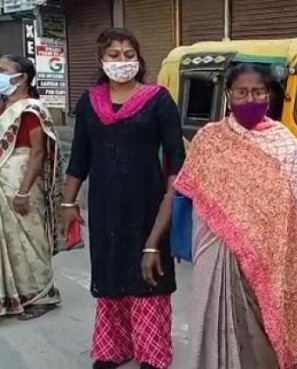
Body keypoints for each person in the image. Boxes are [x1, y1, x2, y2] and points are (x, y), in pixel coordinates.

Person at [174, 62, 297, 369]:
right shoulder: (209, 140)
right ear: (228, 96)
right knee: (217, 327)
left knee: (264, 338)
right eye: (241, 92)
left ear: (269, 96)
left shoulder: (287, 146)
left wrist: (258, 241)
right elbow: (192, 190)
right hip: (217, 254)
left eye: (258, 91)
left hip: (268, 261)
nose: (249, 99)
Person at [62, 28, 185, 369]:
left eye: (129, 54)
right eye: (114, 55)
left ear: (139, 59)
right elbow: (79, 160)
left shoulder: (158, 100)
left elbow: (176, 162)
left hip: (148, 207)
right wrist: (68, 204)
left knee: (149, 277)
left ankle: (152, 352)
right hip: (104, 208)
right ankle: (114, 348)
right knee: (111, 274)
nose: (122, 61)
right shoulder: (89, 102)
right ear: (102, 60)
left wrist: (168, 213)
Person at [0, 54, 64, 321]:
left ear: (22, 77)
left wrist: (24, 190)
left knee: (30, 239)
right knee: (10, 242)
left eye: (3, 70)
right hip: (5, 181)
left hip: (23, 182)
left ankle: (43, 295)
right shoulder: (5, 107)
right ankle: (16, 295)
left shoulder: (32, 109)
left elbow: (38, 153)